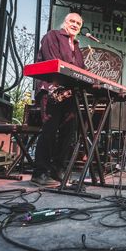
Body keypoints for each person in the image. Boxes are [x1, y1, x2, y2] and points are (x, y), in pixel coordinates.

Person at [31, 12, 86, 186]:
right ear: (65, 22)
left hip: (68, 94)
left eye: (78, 23)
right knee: (49, 130)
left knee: (68, 133)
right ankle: (40, 172)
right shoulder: (52, 36)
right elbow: (54, 62)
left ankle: (57, 170)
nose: (75, 25)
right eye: (72, 21)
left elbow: (82, 71)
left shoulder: (77, 47)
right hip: (51, 91)